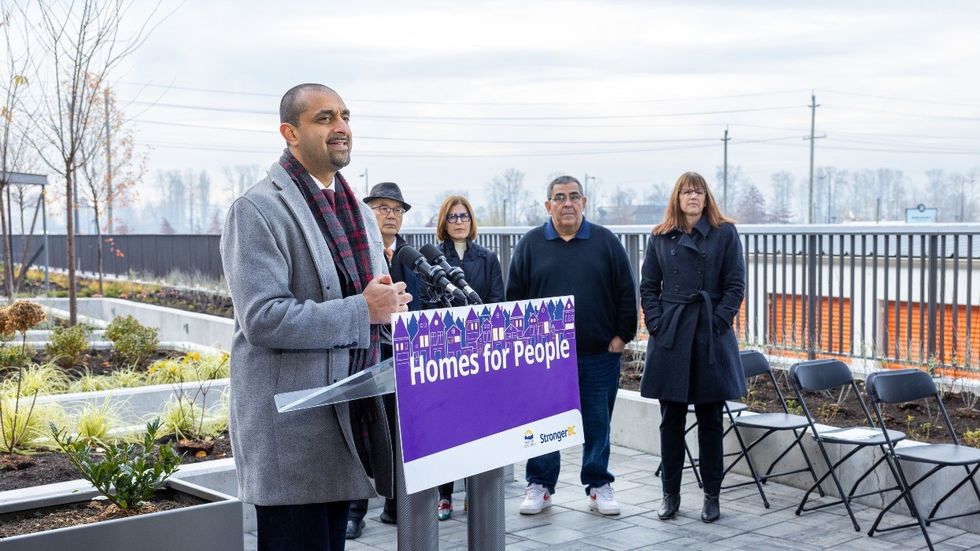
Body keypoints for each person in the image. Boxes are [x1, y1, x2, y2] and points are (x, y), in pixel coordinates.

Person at [220, 83, 412, 551]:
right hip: (292, 436)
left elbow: (374, 302)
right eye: (325, 118)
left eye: (344, 116)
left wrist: (391, 310)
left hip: (346, 422)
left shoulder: (359, 214)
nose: (341, 127)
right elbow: (263, 318)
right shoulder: (256, 210)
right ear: (290, 133)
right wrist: (363, 310)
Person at [507, 175, 637, 517]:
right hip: (545, 357)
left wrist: (622, 336)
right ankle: (540, 485)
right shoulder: (530, 244)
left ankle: (598, 484)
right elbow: (515, 298)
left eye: (574, 196)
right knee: (544, 423)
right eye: (560, 197)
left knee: (597, 424)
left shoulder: (606, 241)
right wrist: (523, 347)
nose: (568, 203)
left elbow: (626, 291)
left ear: (584, 202)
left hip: (598, 354)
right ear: (547, 205)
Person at [638, 171, 746, 524]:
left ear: (706, 197)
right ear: (677, 198)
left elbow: (735, 284)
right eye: (686, 192)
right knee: (670, 420)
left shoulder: (725, 233)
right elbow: (648, 286)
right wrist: (656, 324)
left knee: (710, 420)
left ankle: (712, 496)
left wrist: (719, 321)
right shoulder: (660, 236)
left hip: (709, 334)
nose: (692, 197)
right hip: (671, 334)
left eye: (698, 191)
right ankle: (670, 494)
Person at [346, 181, 417, 538]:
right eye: (382, 208)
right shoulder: (356, 252)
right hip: (367, 353)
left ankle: (396, 507)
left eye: (397, 209)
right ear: (367, 212)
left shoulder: (411, 257)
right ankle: (354, 512)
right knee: (363, 434)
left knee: (401, 432)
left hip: (405, 355)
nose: (391, 215)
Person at [432, 195, 505, 520]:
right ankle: (444, 495)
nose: (459, 222)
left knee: (478, 426)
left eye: (463, 216)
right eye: (452, 217)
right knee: (446, 428)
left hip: (480, 354)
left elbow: (497, 300)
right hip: (447, 356)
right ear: (444, 223)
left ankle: (475, 493)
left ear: (471, 221)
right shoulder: (433, 260)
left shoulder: (487, 258)